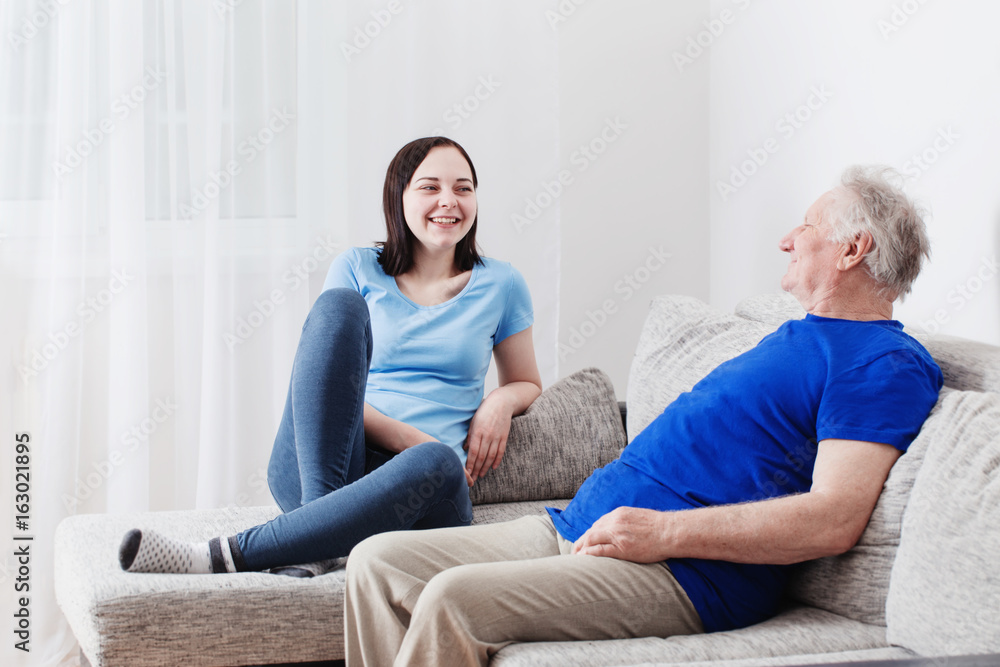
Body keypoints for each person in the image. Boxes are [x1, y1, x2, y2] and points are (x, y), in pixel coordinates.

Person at [344, 165, 944, 667]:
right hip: (577, 522)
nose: (788, 239)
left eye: (807, 226)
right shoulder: (794, 334)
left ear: (854, 249)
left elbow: (832, 519)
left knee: (453, 598)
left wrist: (662, 533)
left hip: (682, 571)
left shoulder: (883, 363)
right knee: (375, 561)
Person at [117, 137, 542, 575]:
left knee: (436, 462)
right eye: (430, 187)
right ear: (399, 197)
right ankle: (321, 527)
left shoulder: (502, 284)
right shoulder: (357, 267)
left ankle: (228, 553)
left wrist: (500, 401)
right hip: (333, 463)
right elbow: (323, 386)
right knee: (338, 308)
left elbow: (526, 381)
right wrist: (405, 436)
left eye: (463, 188)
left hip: (422, 490)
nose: (448, 201)